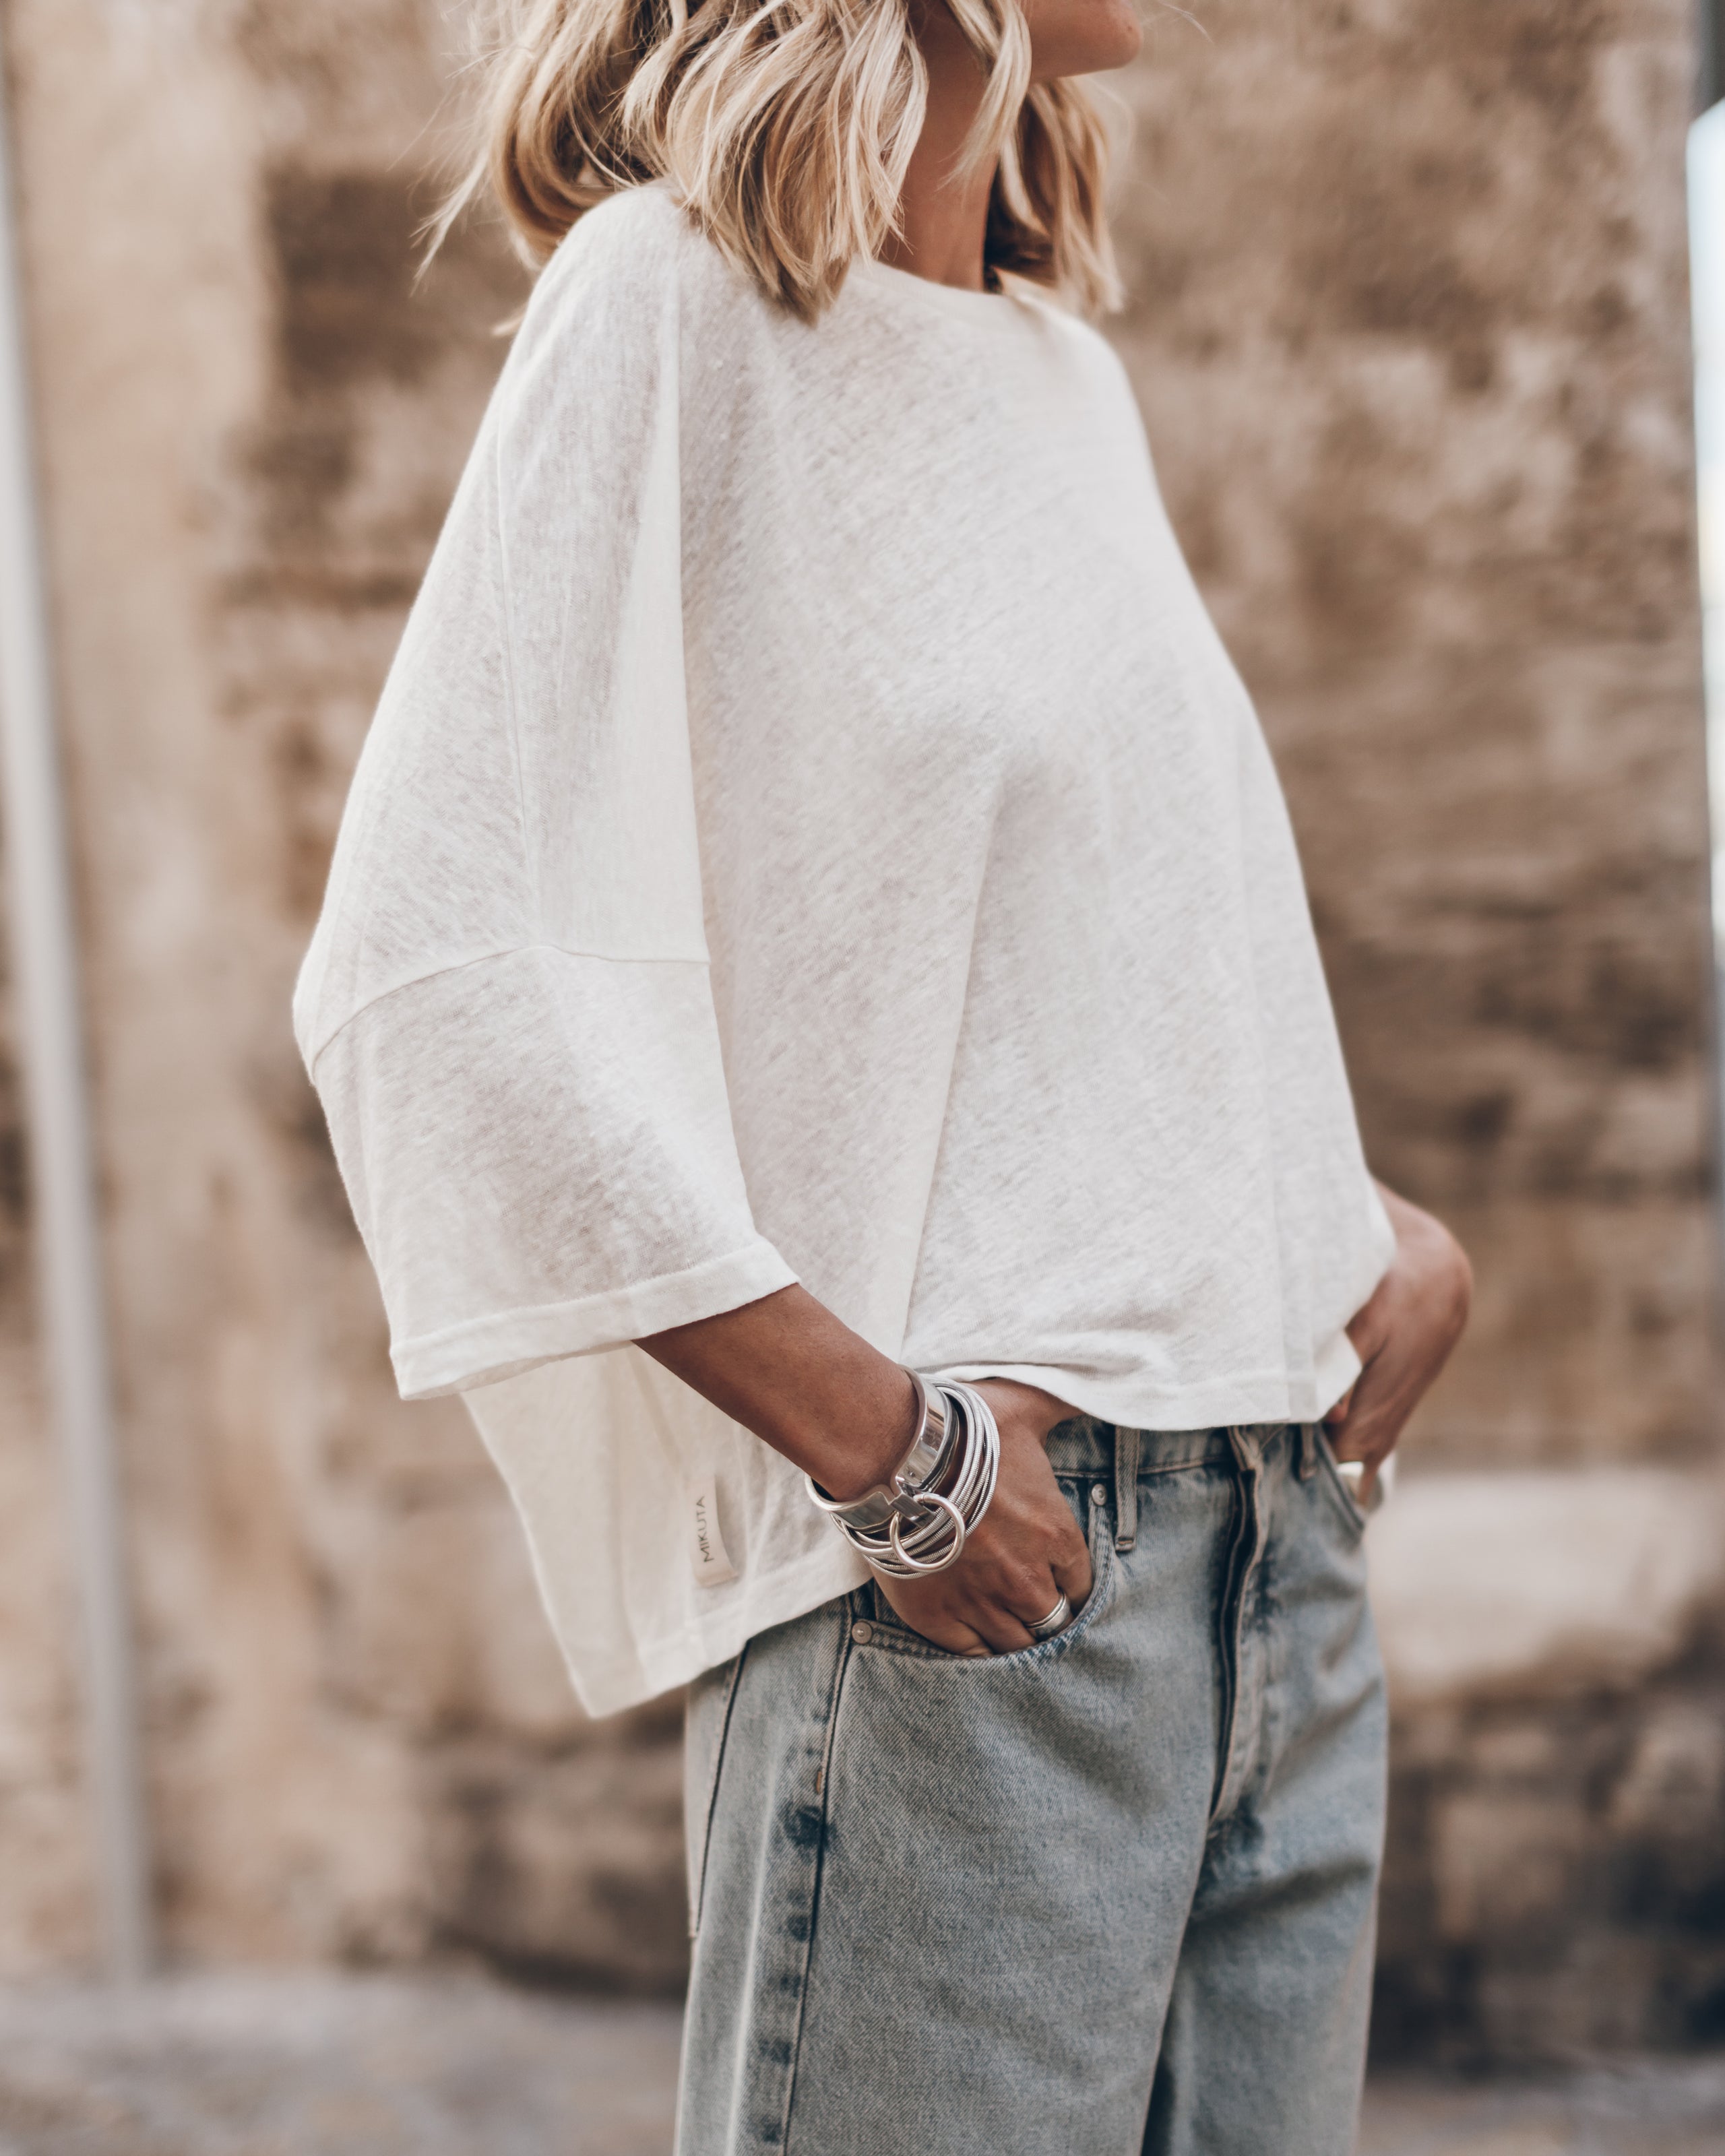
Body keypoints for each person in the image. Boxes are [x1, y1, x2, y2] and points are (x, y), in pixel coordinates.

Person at [294, 0, 1472, 2144]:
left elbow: (1060, 951)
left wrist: (1335, 1210)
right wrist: (889, 1455)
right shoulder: (667, 305)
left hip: (1287, 1572)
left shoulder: (1062, 378)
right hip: (995, 1606)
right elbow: (425, 971)